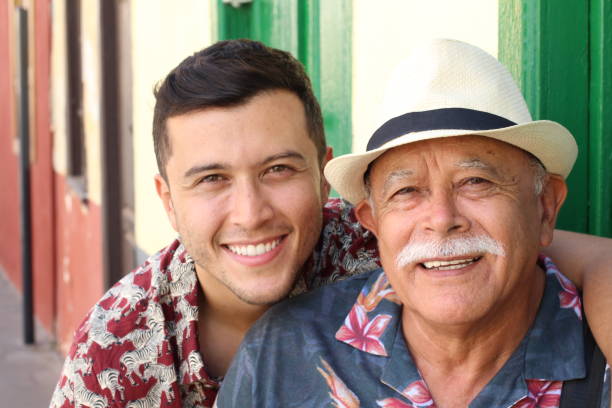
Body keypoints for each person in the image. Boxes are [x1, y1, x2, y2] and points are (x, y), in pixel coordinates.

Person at [50, 39, 611, 408]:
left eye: (278, 169)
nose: (250, 213)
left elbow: (490, 245)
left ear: (323, 182)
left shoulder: (371, 238)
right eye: (211, 179)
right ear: (167, 203)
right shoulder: (114, 351)